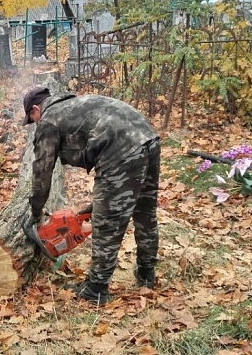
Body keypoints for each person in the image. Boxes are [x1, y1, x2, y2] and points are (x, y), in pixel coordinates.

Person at [21, 87, 161, 306]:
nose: (35, 124)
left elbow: (42, 172)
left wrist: (35, 212)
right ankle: (146, 274)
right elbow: (123, 192)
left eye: (32, 118)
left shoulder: (49, 120)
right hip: (148, 138)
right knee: (145, 211)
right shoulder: (75, 105)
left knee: (106, 224)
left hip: (120, 151)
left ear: (36, 109)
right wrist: (97, 205)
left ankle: (96, 289)